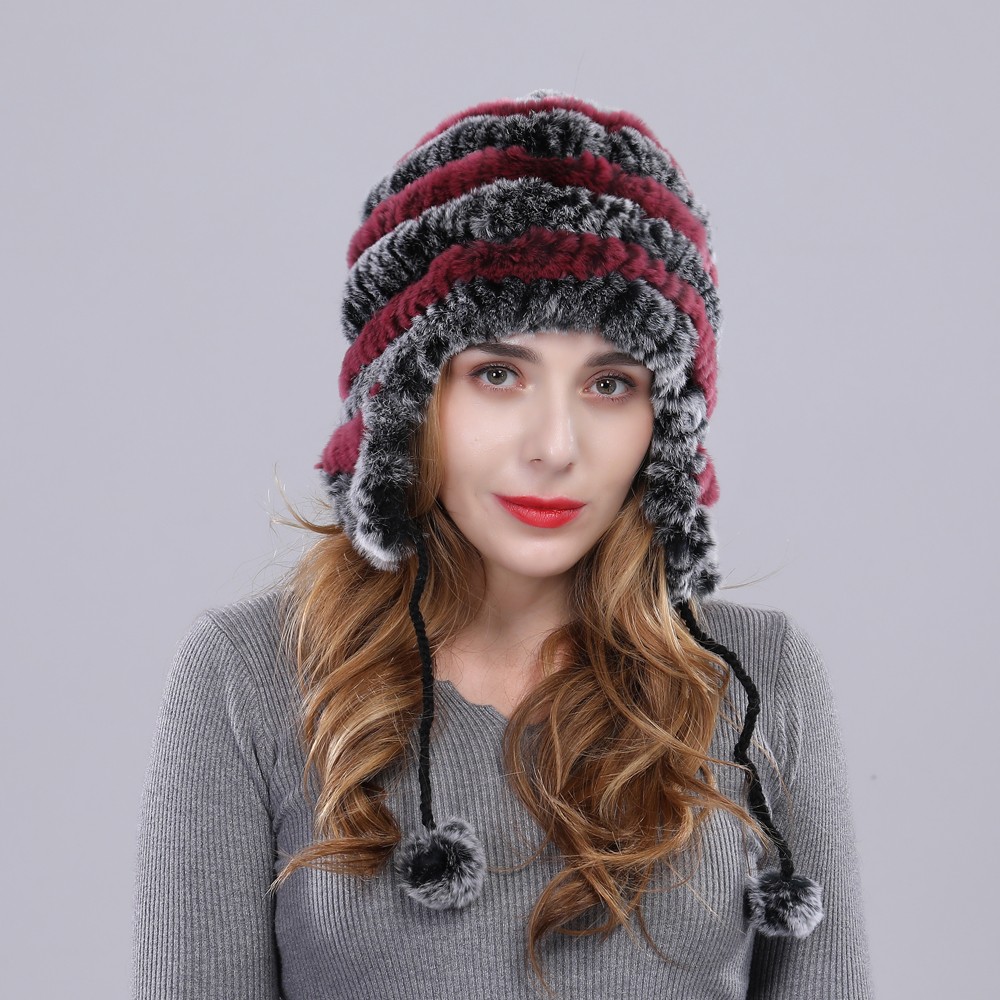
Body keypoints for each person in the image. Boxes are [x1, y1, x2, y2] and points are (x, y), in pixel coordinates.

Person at [132, 91, 873, 999]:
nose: (555, 447)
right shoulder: (248, 677)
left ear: (667, 424)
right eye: (497, 373)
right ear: (406, 400)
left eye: (609, 384)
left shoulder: (759, 683)